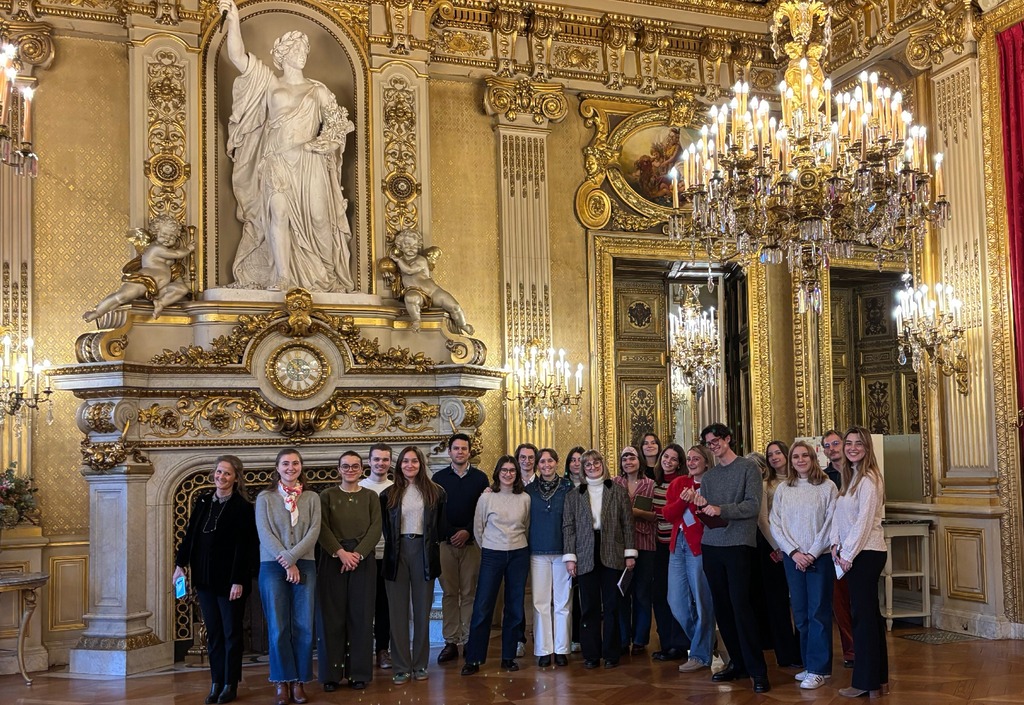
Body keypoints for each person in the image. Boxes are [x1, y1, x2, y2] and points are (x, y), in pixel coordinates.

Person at [219, 0, 356, 293]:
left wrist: (326, 142)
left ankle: (321, 275)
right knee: (278, 214)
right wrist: (233, 21)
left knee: (319, 219)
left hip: (311, 162)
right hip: (277, 160)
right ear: (282, 55)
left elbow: (337, 124)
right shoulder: (270, 84)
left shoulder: (317, 90)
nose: (301, 54)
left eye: (304, 50)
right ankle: (282, 276)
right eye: (295, 50)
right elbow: (238, 57)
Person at [687, 423, 769, 693]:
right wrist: (701, 506)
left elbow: (752, 506)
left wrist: (721, 509)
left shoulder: (748, 468)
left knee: (741, 606)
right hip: (711, 545)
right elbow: (708, 510)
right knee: (722, 608)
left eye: (716, 441)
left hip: (738, 544)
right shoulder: (710, 476)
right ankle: (737, 662)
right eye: (709, 443)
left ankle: (758, 670)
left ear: (728, 439)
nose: (713, 446)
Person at [173, 456, 256, 705]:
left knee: (231, 634)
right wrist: (180, 565)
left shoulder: (242, 507)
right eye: (219, 472)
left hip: (230, 582)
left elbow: (246, 548)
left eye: (227, 473)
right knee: (214, 634)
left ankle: (230, 683)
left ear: (236, 478)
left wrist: (238, 580)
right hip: (205, 580)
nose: (221, 477)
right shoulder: (203, 501)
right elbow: (190, 535)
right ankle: (216, 682)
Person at [769, 440, 838, 690]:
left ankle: (819, 669)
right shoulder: (784, 489)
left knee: (818, 612)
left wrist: (811, 553)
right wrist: (794, 552)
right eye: (795, 456)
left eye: (804, 456)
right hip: (793, 559)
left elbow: (831, 523)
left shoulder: (827, 487)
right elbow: (775, 523)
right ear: (791, 461)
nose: (800, 460)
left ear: (813, 458)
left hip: (820, 558)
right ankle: (810, 664)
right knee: (800, 614)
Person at [256, 449, 321, 705]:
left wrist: (293, 558)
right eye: (285, 463)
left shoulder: (312, 498)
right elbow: (264, 532)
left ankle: (299, 682)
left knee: (304, 626)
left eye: (295, 463)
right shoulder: (265, 498)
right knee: (278, 626)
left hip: (305, 563)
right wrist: (286, 561)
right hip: (272, 565)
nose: (290, 467)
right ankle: (281, 681)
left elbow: (314, 531)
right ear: (277, 467)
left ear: (301, 467)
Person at [563, 449, 636, 669]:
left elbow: (627, 524)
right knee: (589, 607)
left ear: (602, 465)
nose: (593, 467)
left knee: (612, 606)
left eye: (596, 463)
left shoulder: (618, 491)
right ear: (583, 469)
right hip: (585, 553)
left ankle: (612, 654)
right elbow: (569, 528)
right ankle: (591, 654)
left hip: (612, 551)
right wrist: (570, 557)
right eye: (588, 464)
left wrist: (630, 553)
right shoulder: (574, 495)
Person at [317, 451, 382, 691]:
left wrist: (358, 554)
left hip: (362, 560)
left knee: (361, 617)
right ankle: (331, 675)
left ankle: (358, 673)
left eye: (355, 466)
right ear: (339, 470)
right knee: (331, 618)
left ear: (362, 469)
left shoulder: (370, 497)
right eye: (346, 466)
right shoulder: (327, 495)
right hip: (333, 559)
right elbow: (321, 527)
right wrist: (340, 552)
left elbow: (376, 528)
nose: (350, 470)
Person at [831, 427, 889, 698]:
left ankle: (866, 683)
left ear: (867, 448)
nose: (852, 447)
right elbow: (839, 516)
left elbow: (863, 522)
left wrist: (847, 554)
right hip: (855, 552)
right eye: (849, 443)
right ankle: (879, 680)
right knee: (870, 618)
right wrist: (834, 543)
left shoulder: (869, 478)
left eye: (858, 443)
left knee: (863, 619)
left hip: (866, 553)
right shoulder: (851, 476)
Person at [381, 446, 446, 685]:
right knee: (397, 613)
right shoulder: (388, 494)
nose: (410, 465)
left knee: (422, 612)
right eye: (405, 461)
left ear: (421, 464)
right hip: (396, 553)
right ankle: (400, 667)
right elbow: (386, 528)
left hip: (424, 552)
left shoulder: (436, 492)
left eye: (414, 461)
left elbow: (439, 525)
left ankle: (420, 665)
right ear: (399, 465)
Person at [461, 456, 532, 674]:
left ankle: (508, 657)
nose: (508, 474)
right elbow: (478, 528)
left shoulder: (525, 498)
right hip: (492, 554)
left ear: (517, 474)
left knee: (514, 606)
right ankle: (474, 659)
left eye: (512, 470)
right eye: (504, 470)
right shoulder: (486, 498)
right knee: (483, 606)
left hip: (519, 554)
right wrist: (491, 546)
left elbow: (526, 525)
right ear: (497, 473)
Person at [432, 433, 489, 664]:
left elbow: (482, 511)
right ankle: (450, 641)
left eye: (464, 448)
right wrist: (450, 533)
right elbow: (435, 513)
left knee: (469, 593)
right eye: (456, 448)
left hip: (471, 543)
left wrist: (467, 531)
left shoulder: (480, 478)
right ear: (450, 452)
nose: (460, 452)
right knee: (449, 593)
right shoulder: (438, 478)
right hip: (445, 544)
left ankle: (468, 639)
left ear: (469, 452)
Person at [662, 445, 716, 674]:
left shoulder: (713, 484)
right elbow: (668, 514)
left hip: (700, 546)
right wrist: (684, 501)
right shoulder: (679, 483)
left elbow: (714, 519)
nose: (691, 463)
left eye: (696, 459)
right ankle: (704, 641)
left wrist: (699, 503)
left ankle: (700, 654)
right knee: (676, 602)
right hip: (678, 546)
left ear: (706, 462)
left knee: (702, 601)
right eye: (689, 459)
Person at [84, 215, 194, 322]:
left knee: (182, 289)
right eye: (164, 234)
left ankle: (160, 303)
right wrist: (188, 249)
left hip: (160, 288)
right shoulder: (156, 248)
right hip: (144, 281)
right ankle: (97, 312)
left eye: (172, 237)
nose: (168, 239)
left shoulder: (167, 254)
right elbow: (177, 254)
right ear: (156, 232)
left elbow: (175, 272)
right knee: (121, 297)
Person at [752, 445, 801, 668]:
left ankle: (803, 649)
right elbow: (763, 520)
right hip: (773, 547)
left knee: (800, 600)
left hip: (800, 546)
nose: (774, 457)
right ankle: (786, 653)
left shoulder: (800, 480)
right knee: (777, 601)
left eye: (777, 453)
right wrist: (779, 547)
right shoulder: (766, 484)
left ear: (786, 454)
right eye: (770, 455)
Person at [526, 448, 574, 667]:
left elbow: (573, 520)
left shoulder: (568, 487)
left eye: (550, 461)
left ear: (556, 462)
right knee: (540, 602)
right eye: (542, 461)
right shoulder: (529, 490)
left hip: (563, 551)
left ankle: (562, 649)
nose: (546, 465)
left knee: (563, 602)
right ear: (537, 465)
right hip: (537, 551)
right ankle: (544, 650)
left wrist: (572, 552)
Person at [379, 229, 475, 334]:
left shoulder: (420, 260)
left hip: (433, 291)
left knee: (454, 306)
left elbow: (409, 270)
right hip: (415, 291)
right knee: (411, 298)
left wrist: (398, 260)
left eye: (415, 246)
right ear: (399, 246)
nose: (411, 248)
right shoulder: (400, 263)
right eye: (407, 244)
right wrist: (391, 277)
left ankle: (462, 324)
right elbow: (399, 279)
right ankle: (416, 320)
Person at [614, 446, 656, 655]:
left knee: (642, 593)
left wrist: (636, 512)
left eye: (632, 458)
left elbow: (656, 515)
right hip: (620, 546)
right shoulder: (615, 483)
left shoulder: (651, 485)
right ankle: (623, 638)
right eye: (625, 459)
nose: (628, 462)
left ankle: (640, 639)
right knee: (622, 592)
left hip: (645, 544)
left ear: (640, 461)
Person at [650, 443, 689, 662]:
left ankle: (679, 643)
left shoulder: (683, 484)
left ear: (679, 463)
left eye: (674, 459)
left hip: (677, 546)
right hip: (657, 546)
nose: (668, 461)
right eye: (666, 457)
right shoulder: (653, 485)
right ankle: (666, 642)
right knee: (659, 595)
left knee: (677, 596)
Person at [359, 443, 395, 670]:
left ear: (390, 462)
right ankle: (361, 651)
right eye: (377, 459)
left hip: (389, 555)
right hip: (364, 556)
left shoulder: (396, 488)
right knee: (363, 606)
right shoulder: (360, 487)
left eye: (385, 459)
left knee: (385, 606)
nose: (380, 463)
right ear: (369, 461)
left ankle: (383, 650)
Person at [822, 428, 855, 668]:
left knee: (860, 600)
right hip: (834, 546)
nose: (832, 448)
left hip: (859, 543)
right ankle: (851, 651)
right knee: (840, 602)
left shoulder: (858, 472)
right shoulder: (823, 478)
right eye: (827, 445)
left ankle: (867, 648)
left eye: (835, 443)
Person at [564, 446, 586, 654]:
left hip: (586, 546)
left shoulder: (593, 485)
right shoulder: (563, 486)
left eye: (580, 459)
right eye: (573, 459)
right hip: (566, 545)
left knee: (582, 594)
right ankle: (566, 637)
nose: (576, 463)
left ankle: (580, 636)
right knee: (565, 595)